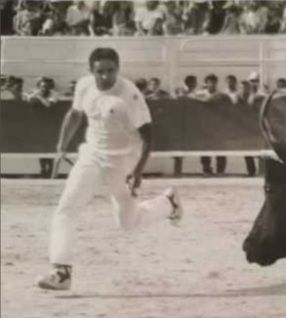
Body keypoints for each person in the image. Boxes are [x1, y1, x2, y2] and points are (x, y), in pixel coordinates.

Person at [36, 47, 183, 291]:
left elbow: (148, 136)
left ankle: (169, 203)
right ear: (91, 71)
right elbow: (74, 115)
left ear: (118, 68)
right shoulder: (84, 86)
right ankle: (61, 271)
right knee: (67, 207)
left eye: (110, 71)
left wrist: (137, 172)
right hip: (92, 155)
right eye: (100, 71)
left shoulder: (130, 96)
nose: (105, 76)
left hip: (123, 162)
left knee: (128, 223)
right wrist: (61, 146)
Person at [195, 73, 228, 176]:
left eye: (214, 82)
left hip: (218, 125)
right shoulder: (199, 94)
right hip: (204, 125)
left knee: (221, 147)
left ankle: (220, 170)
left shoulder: (221, 95)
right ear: (206, 83)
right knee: (204, 148)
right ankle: (206, 169)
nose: (212, 84)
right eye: (210, 82)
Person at [27, 77, 59, 177]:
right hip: (41, 125)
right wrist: (37, 93)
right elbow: (29, 99)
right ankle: (43, 169)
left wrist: (39, 97)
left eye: (45, 86)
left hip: (52, 125)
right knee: (41, 148)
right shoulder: (38, 92)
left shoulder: (54, 94)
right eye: (42, 86)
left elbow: (48, 104)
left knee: (51, 148)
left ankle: (50, 170)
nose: (44, 88)